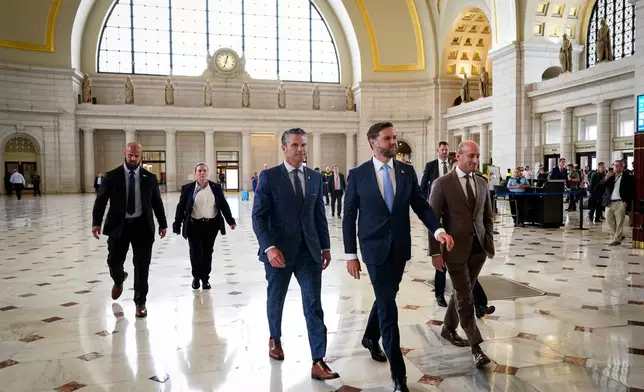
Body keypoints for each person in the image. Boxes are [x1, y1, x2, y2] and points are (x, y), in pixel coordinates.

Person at [343, 122, 454, 392]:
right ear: (373, 143)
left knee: (386, 296)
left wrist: (438, 229)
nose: (394, 142)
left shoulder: (406, 171)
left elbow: (420, 204)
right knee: (389, 308)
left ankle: (370, 337)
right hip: (373, 249)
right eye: (388, 138)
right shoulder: (358, 175)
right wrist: (350, 254)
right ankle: (398, 375)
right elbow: (348, 217)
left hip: (400, 248)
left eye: (394, 138)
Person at [252, 128, 339, 381]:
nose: (301, 149)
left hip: (308, 253)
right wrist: (269, 248)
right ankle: (275, 338)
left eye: (303, 145)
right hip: (278, 254)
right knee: (276, 299)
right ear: (284, 148)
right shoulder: (269, 177)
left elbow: (318, 215)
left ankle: (318, 361)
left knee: (314, 305)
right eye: (295, 145)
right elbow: (258, 216)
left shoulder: (314, 178)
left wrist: (325, 247)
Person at [429, 140, 495, 369]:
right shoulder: (441, 184)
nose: (476, 161)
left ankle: (448, 328)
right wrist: (434, 253)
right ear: (459, 156)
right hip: (453, 249)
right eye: (471, 156)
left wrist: (489, 242)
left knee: (461, 292)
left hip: (478, 251)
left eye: (478, 156)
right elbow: (432, 220)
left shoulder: (482, 183)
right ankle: (477, 348)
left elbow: (488, 216)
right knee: (466, 297)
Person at [92, 142, 168, 318]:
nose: (133, 158)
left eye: (136, 156)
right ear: (124, 154)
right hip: (119, 227)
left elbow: (157, 202)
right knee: (113, 261)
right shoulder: (112, 176)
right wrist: (96, 223)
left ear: (141, 156)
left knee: (142, 266)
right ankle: (119, 279)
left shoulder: (149, 177)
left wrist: (162, 224)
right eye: (130, 155)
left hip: (142, 226)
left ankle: (140, 303)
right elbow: (101, 201)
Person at [173, 163, 237, 290]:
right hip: (194, 225)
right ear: (196, 173)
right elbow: (181, 207)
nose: (202, 173)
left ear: (208, 173)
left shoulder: (215, 187)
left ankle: (205, 279)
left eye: (204, 171)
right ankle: (196, 277)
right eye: (199, 171)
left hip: (211, 225)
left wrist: (231, 221)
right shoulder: (188, 188)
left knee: (207, 253)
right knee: (195, 253)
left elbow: (223, 205)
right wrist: (177, 224)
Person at [418, 141, 451, 306]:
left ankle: (479, 303)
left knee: (462, 262)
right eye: (442, 150)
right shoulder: (431, 166)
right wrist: (427, 207)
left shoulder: (452, 165)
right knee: (441, 255)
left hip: (452, 214)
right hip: (436, 214)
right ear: (438, 151)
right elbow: (422, 187)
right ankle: (439, 294)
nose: (444, 152)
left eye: (446, 150)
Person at [601, 160, 635, 246]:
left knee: (620, 222)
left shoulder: (627, 176)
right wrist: (606, 178)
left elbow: (630, 190)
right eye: (614, 165)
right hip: (609, 201)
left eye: (617, 166)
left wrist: (626, 201)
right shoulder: (610, 176)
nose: (615, 167)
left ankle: (617, 240)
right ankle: (619, 235)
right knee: (609, 220)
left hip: (620, 202)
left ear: (622, 167)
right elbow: (601, 185)